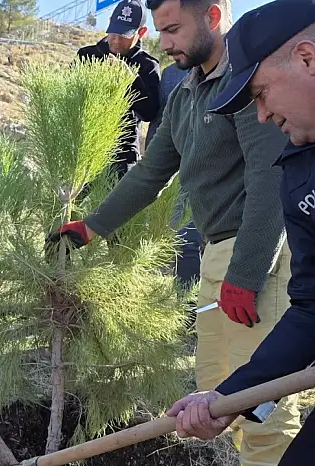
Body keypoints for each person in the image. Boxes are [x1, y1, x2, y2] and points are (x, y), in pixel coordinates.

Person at [46, 0, 302, 464]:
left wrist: (247, 273)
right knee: (213, 390)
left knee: (262, 408)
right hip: (212, 255)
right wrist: (93, 225)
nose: (164, 43)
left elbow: (271, 179)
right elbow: (151, 172)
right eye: (160, 32)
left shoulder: (245, 86)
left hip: (257, 257)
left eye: (172, 30)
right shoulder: (187, 93)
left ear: (212, 17)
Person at [167, 1, 315, 463]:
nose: (264, 114)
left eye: (262, 92)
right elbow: (311, 310)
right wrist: (230, 398)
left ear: (308, 59)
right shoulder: (300, 172)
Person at [77, 0, 161, 179]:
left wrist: (130, 80)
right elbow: (68, 98)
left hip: (122, 157)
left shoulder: (147, 66)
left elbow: (149, 113)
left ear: (142, 32)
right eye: (113, 32)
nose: (115, 40)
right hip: (82, 152)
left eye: (124, 35)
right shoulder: (86, 56)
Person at [144, 62, 201, 290]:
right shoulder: (171, 73)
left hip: (224, 177)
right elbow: (160, 122)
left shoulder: (235, 68)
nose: (168, 44)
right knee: (185, 241)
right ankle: (186, 313)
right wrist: (153, 163)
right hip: (180, 171)